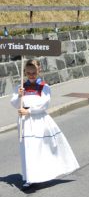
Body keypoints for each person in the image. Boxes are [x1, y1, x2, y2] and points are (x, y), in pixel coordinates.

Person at [10, 59, 79, 189]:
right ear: (24, 72)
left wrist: (28, 111)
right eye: (28, 72)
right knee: (27, 149)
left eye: (33, 72)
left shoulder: (44, 87)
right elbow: (14, 104)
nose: (31, 75)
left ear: (39, 71)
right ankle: (29, 178)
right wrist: (19, 96)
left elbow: (44, 104)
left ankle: (45, 173)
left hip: (38, 120)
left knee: (41, 148)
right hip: (25, 122)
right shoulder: (21, 86)